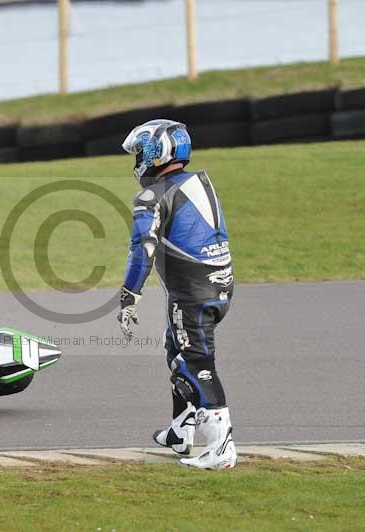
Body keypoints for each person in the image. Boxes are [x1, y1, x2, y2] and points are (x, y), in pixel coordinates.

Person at [117, 119, 236, 470]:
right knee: (175, 349)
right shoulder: (199, 182)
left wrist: (129, 295)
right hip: (218, 283)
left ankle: (221, 448)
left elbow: (143, 247)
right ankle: (181, 430)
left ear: (157, 153)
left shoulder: (152, 195)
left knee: (194, 362)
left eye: (140, 152)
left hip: (192, 293)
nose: (137, 159)